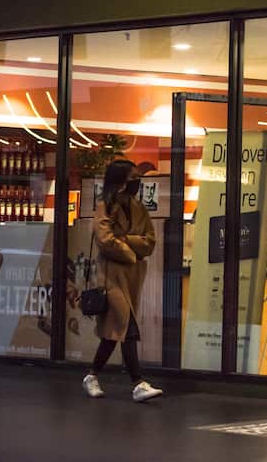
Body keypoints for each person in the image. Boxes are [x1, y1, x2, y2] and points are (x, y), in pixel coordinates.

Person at [83, 159, 164, 403]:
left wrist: (126, 240)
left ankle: (92, 375)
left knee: (113, 333)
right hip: (112, 277)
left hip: (132, 278)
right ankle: (138, 383)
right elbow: (105, 240)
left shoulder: (138, 207)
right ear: (120, 181)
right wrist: (131, 250)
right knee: (127, 327)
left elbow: (149, 241)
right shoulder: (105, 206)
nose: (137, 183)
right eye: (133, 178)